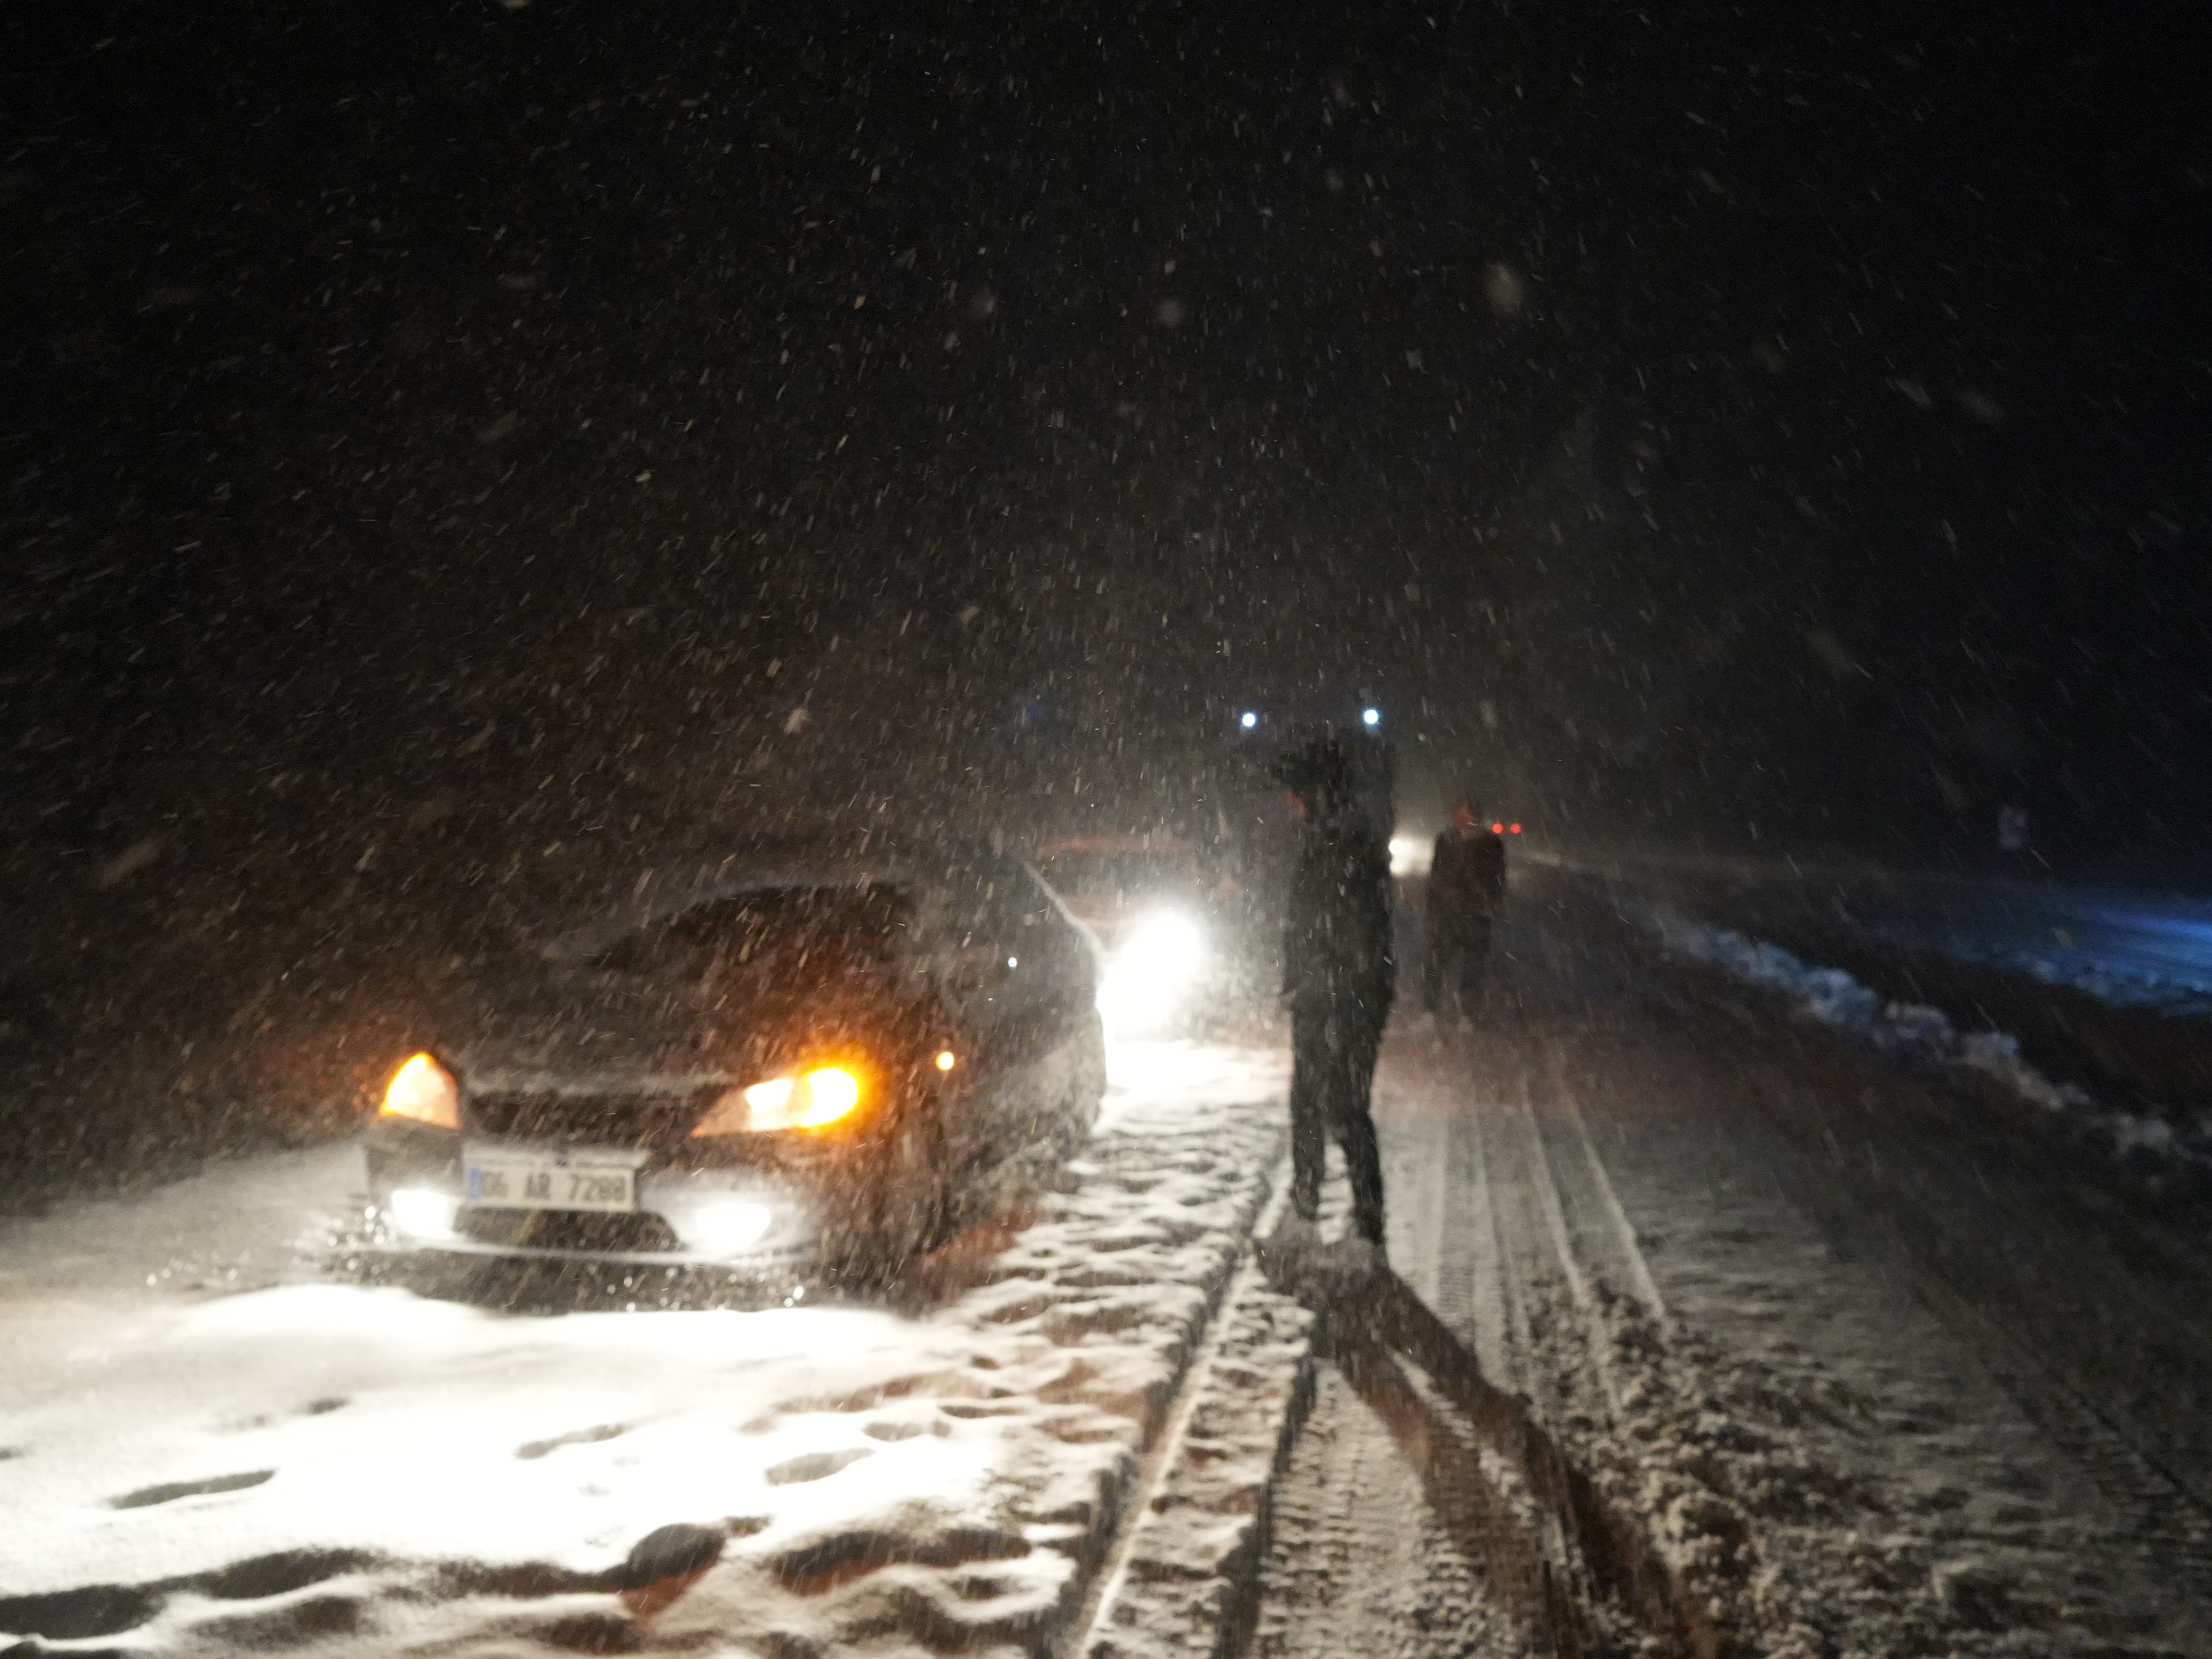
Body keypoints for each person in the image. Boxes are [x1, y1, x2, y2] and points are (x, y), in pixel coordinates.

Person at [1271, 734, 1395, 1269]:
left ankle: (1367, 1231)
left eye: (1297, 794)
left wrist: (1330, 989)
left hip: (1349, 1001)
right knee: (1306, 1101)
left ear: (1320, 793)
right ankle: (1303, 1211)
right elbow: (1306, 925)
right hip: (1318, 998)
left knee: (1345, 1107)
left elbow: (1356, 937)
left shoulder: (1350, 847)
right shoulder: (1324, 840)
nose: (1289, 804)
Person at [1424, 798, 1507, 1021]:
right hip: (1447, 912)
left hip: (1477, 912)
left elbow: (1496, 877)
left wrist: (1491, 902)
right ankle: (1431, 1011)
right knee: (1436, 963)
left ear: (1476, 816)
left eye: (1467, 814)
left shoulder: (1490, 843)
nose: (1463, 819)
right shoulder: (1446, 840)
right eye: (1459, 813)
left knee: (1473, 967)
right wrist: (1435, 903)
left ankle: (1468, 1015)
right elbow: (1436, 874)